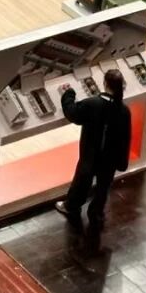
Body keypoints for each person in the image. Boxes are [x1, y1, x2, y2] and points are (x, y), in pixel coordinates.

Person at [54, 68, 131, 237]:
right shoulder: (124, 111)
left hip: (91, 154)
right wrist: (122, 161)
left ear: (105, 84)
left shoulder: (93, 104)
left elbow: (72, 113)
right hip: (109, 159)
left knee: (82, 180)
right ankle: (96, 212)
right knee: (103, 186)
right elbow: (125, 138)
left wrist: (68, 94)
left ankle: (72, 206)